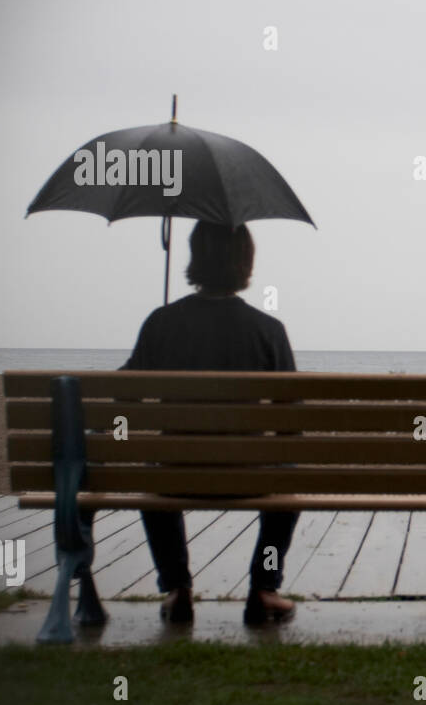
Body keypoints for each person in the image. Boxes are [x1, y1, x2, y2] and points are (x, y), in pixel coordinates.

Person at [121, 221, 298, 626]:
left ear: (194, 256)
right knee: (289, 472)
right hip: (248, 477)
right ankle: (264, 588)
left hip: (177, 476)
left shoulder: (161, 322)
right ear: (245, 261)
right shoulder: (269, 331)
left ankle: (178, 587)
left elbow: (123, 397)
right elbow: (292, 425)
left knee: (152, 471)